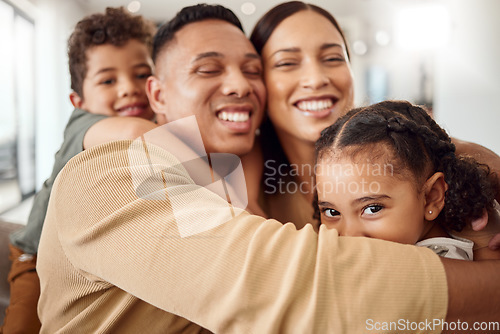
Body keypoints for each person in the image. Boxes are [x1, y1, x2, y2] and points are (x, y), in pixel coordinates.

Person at [36, 4, 500, 333]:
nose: (240, 85)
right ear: (156, 95)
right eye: (208, 69)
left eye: (251, 69)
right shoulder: (108, 175)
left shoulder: (292, 197)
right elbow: (297, 288)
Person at [249, 1, 500, 249]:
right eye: (287, 63)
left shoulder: (411, 150)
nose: (316, 79)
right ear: (256, 79)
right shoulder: (248, 180)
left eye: (333, 58)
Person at [1, 7, 156, 333]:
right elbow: (133, 134)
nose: (129, 87)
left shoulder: (153, 124)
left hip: (87, 259)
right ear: (78, 100)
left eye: (142, 73)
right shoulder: (85, 125)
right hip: (35, 258)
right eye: (108, 80)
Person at [314, 100, 500, 260]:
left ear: (432, 197)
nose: (349, 236)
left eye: (372, 208)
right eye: (331, 212)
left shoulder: (423, 270)